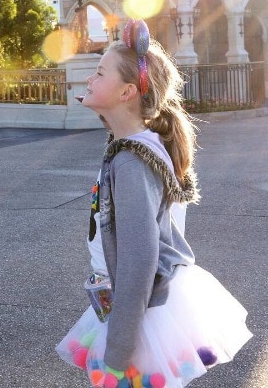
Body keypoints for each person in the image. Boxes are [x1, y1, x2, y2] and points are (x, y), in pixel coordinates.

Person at [55, 19, 252, 388]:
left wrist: (118, 352)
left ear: (127, 92)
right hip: (138, 303)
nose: (89, 80)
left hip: (141, 313)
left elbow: (139, 259)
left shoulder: (131, 161)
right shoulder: (133, 146)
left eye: (99, 73)